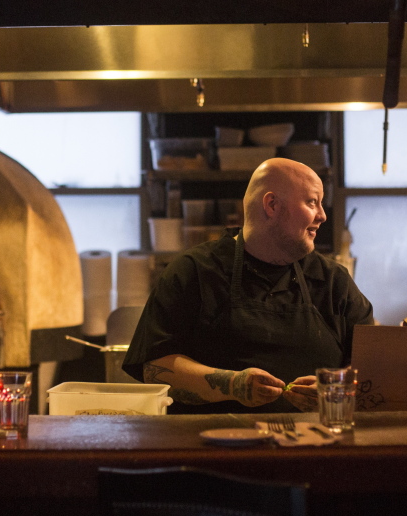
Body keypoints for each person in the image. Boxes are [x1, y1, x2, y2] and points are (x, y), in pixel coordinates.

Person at [122, 157, 374, 414]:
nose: (322, 215)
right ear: (272, 205)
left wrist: (335, 389)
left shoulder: (333, 281)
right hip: (213, 445)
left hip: (313, 446)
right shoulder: (193, 272)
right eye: (312, 202)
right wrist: (231, 385)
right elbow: (153, 368)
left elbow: (373, 369)